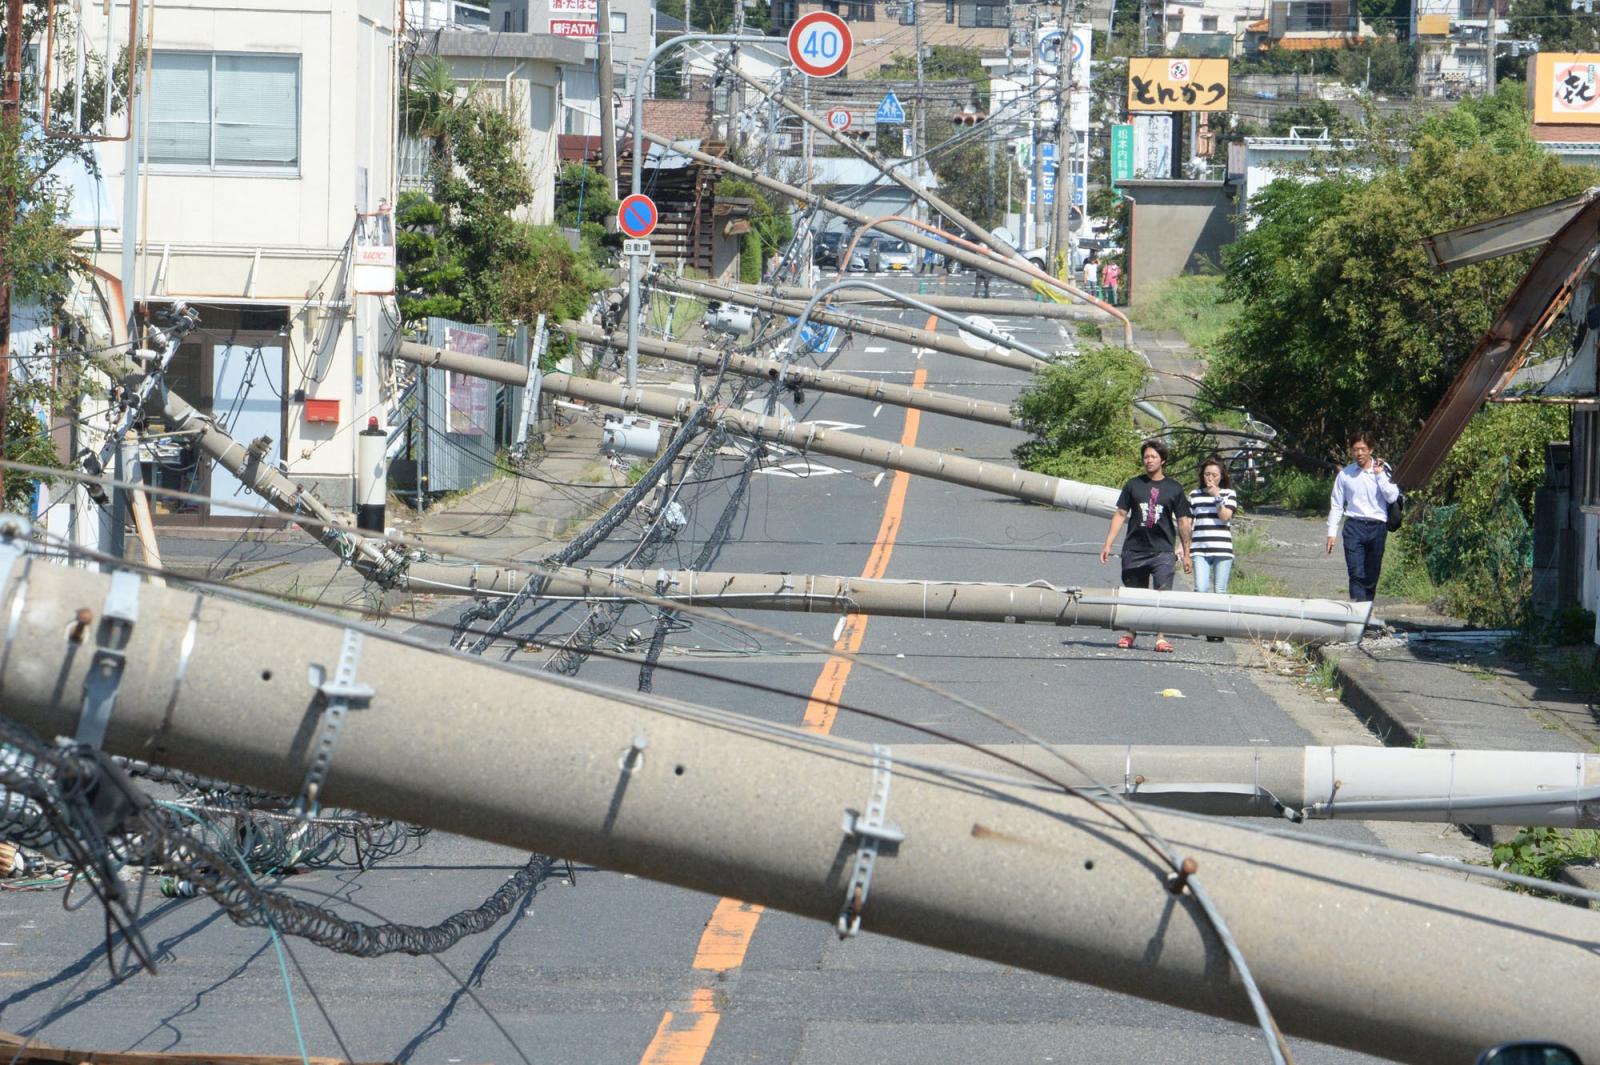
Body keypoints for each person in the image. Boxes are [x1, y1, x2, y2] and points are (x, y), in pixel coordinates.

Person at [1100, 439, 1193, 652]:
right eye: (1146, 457)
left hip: (1162, 551)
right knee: (1135, 593)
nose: (1148, 460)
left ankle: (1160, 637)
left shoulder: (1174, 488)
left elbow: (1183, 522)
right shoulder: (1133, 484)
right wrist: (1108, 544)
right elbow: (1121, 513)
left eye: (1153, 456)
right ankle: (1130, 632)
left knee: (1162, 594)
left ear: (1163, 460)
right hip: (1135, 548)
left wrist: (1186, 553)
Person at [1326, 430, 1400, 602]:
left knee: (1371, 575)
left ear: (1371, 450)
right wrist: (1331, 533)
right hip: (1354, 527)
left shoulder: (1383, 470)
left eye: (1363, 449)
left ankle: (1366, 613)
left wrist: (1379, 475)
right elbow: (1336, 504)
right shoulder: (1345, 474)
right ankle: (1359, 616)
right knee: (1356, 573)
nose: (1359, 453)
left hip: (1377, 527)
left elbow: (1392, 496)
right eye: (1355, 449)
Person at [1188, 456, 1238, 642]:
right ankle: (1200, 622)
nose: (1210, 478)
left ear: (1221, 476)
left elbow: (1225, 516)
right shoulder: (1194, 495)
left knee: (1220, 591)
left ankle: (1216, 629)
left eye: (1214, 475)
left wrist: (1216, 496)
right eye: (1207, 474)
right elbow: (1188, 522)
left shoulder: (1229, 494)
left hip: (1222, 549)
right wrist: (1182, 547)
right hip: (1200, 547)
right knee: (1200, 588)